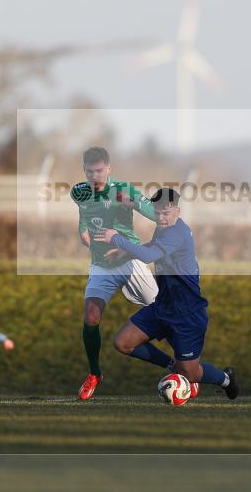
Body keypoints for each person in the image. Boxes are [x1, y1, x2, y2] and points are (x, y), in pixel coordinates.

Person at [94, 188, 239, 400]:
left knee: (191, 373)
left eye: (166, 213)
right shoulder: (164, 228)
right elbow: (153, 247)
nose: (161, 217)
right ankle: (174, 367)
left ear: (177, 211)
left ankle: (225, 378)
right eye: (158, 212)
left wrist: (117, 239)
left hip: (187, 313)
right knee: (123, 342)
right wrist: (125, 252)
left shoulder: (177, 233)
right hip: (162, 306)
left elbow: (148, 255)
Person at [70, 146, 160, 400]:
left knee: (166, 315)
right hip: (101, 266)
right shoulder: (78, 192)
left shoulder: (123, 190)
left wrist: (132, 203)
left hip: (130, 262)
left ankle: (186, 369)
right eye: (90, 172)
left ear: (109, 169)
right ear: (84, 171)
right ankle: (95, 374)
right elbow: (84, 215)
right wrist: (83, 232)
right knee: (90, 317)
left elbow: (155, 214)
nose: (95, 177)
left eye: (100, 171)